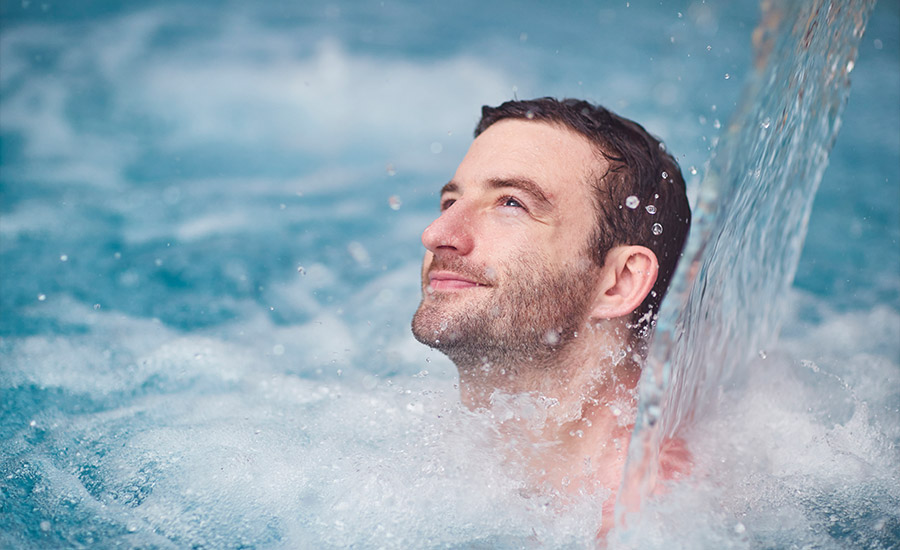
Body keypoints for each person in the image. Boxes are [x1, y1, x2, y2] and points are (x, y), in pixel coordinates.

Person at [411, 97, 691, 525]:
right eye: (451, 202)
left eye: (511, 203)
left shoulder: (643, 509)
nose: (436, 235)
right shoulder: (429, 442)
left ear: (618, 283)